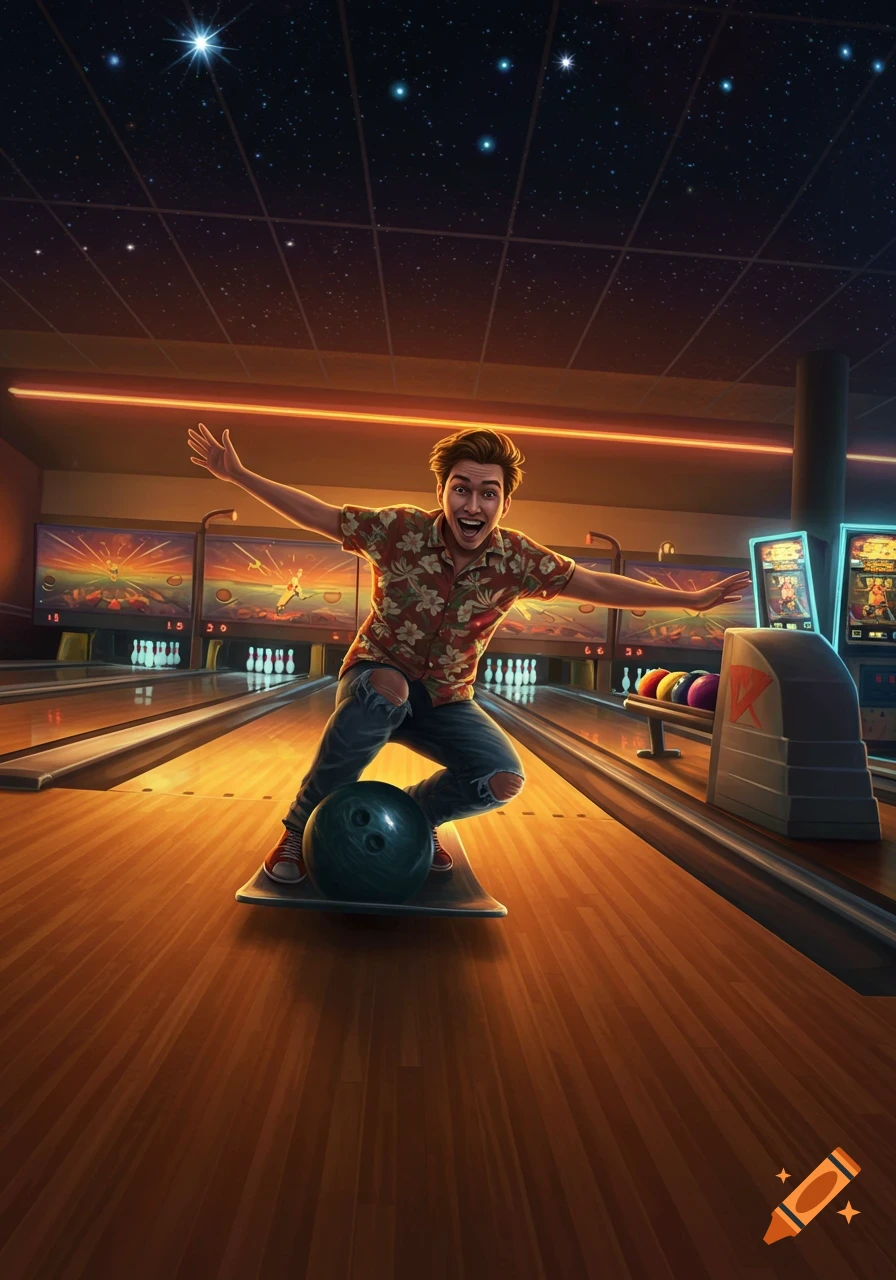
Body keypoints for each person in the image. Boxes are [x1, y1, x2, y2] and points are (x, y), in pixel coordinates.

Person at [187, 422, 749, 884]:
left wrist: (692, 601)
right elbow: (319, 515)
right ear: (442, 492)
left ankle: (417, 814)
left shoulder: (518, 559)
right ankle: (297, 825)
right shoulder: (399, 529)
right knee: (389, 689)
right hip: (373, 680)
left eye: (488, 492)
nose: (473, 503)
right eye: (462, 488)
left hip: (448, 700)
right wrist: (238, 475)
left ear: (504, 502)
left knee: (502, 777)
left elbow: (600, 586)